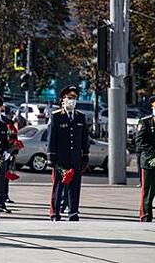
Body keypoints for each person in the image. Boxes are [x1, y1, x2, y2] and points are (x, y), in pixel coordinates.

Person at [47, 85, 89, 222]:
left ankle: (73, 212)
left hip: (75, 158)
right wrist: (51, 156)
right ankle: (55, 213)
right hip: (60, 158)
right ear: (63, 100)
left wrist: (85, 155)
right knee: (58, 186)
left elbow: (84, 138)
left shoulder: (80, 117)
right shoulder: (56, 117)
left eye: (74, 98)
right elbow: (51, 138)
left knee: (75, 186)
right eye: (69, 98)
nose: (72, 101)